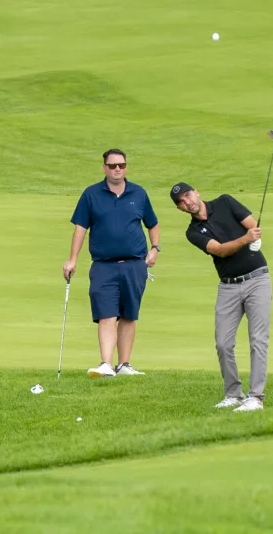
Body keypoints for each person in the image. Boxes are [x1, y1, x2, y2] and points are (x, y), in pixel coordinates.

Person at [170, 183, 270, 412]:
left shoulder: (225, 201)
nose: (188, 202)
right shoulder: (192, 232)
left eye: (188, 195)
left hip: (258, 279)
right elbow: (220, 250)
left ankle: (255, 397)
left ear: (197, 192)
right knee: (223, 344)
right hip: (228, 287)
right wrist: (246, 239)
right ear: (180, 209)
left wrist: (254, 236)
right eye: (182, 202)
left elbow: (252, 225)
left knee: (258, 340)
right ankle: (233, 394)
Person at [63, 149, 161, 378]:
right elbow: (80, 228)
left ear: (126, 167)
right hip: (103, 265)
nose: (118, 169)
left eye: (122, 165)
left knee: (129, 315)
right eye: (113, 165)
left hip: (135, 265)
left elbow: (152, 224)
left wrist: (155, 248)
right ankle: (106, 364)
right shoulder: (91, 194)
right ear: (104, 167)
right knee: (106, 315)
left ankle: (124, 364)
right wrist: (72, 260)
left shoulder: (139, 193)